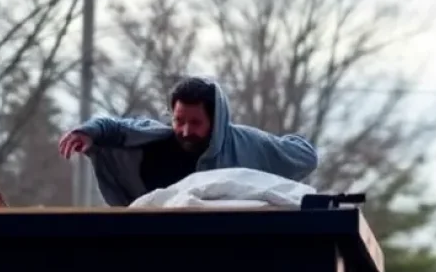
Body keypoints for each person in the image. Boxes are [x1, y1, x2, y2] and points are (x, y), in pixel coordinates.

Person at [58, 76, 319, 206]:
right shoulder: (155, 141)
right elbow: (116, 128)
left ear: (216, 121)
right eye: (179, 121)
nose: (184, 131)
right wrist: (87, 132)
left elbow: (304, 156)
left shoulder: (247, 144)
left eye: (195, 123)